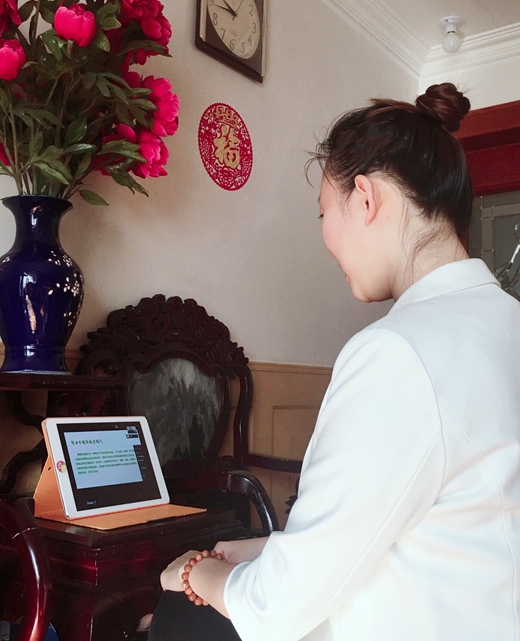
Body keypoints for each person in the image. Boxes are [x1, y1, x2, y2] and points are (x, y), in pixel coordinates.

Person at [149, 83, 520, 641]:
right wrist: (272, 548)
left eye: (324, 211)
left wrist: (193, 573)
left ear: (365, 199)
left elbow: (278, 607)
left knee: (176, 617)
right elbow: (451, 523)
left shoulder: (398, 352)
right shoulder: (506, 324)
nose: (326, 238)